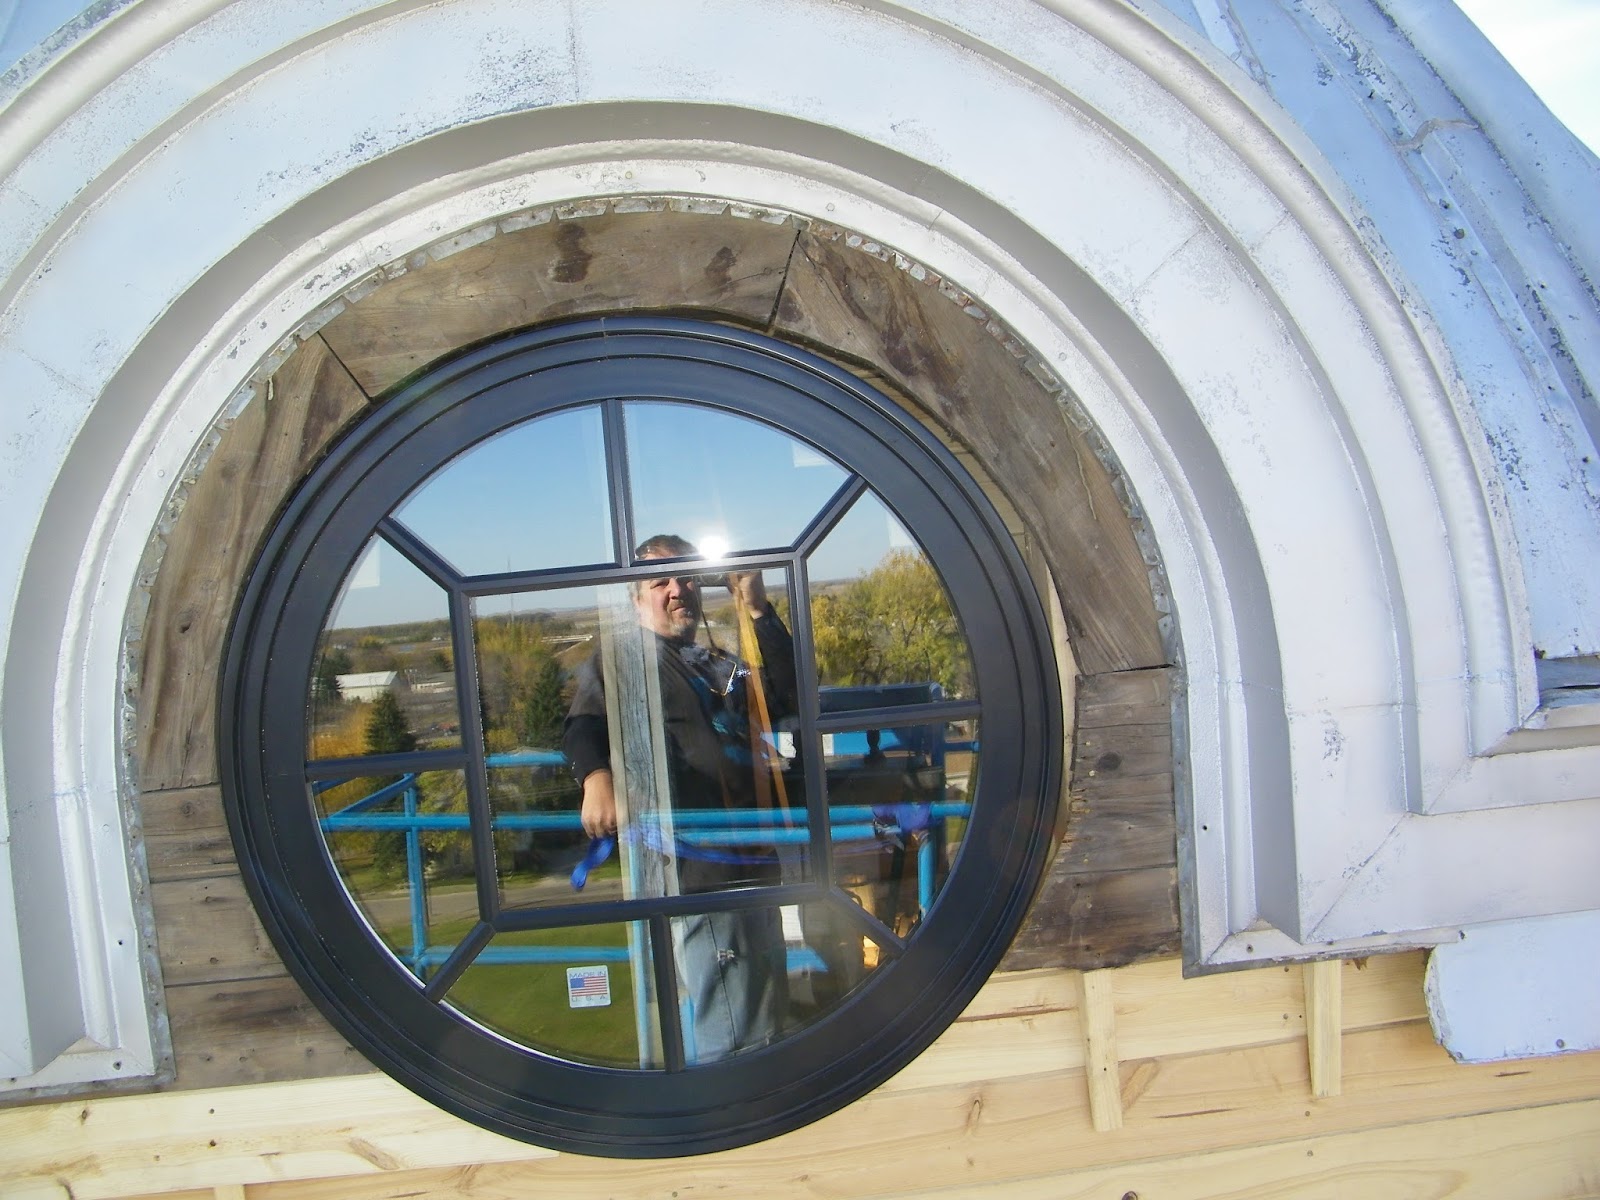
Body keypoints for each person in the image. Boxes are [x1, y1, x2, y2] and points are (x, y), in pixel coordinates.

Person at [563, 534, 798, 1062]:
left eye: (686, 577)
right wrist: (596, 778)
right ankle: (736, 1122)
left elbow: (786, 695)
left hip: (751, 861)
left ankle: (759, 1110)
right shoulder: (624, 660)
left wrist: (758, 609)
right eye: (661, 581)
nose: (677, 591)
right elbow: (581, 726)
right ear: (636, 598)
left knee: (766, 1009)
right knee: (735, 1026)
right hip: (697, 870)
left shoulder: (710, 661)